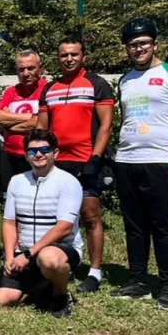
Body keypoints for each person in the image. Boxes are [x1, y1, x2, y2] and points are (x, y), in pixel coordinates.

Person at [111, 17, 168, 310]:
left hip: (161, 161)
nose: (138, 49)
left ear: (155, 44)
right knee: (134, 226)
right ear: (126, 48)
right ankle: (139, 282)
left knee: (162, 227)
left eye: (144, 43)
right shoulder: (125, 80)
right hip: (127, 160)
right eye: (132, 45)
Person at [36, 38, 114, 294]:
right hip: (56, 163)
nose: (68, 59)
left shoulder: (97, 84)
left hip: (86, 160)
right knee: (55, 217)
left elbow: (106, 125)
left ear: (83, 56)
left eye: (74, 54)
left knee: (90, 216)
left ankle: (94, 272)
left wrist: (96, 158)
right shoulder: (50, 88)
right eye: (63, 55)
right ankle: (56, 264)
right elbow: (42, 128)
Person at [0, 130, 84, 318]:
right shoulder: (16, 181)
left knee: (48, 258)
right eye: (32, 151)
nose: (38, 154)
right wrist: (9, 257)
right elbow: (9, 222)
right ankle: (43, 284)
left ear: (55, 153)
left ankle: (61, 294)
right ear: (26, 155)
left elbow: (64, 227)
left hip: (60, 249)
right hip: (25, 252)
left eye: (44, 150)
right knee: (2, 299)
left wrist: (29, 254)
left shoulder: (68, 182)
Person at [0, 50, 46, 193]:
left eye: (31, 68)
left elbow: (41, 122)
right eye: (21, 69)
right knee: (10, 196)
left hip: (38, 155)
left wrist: (10, 125)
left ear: (40, 68)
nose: (26, 73)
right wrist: (31, 116)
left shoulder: (47, 90)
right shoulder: (11, 92)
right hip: (10, 156)